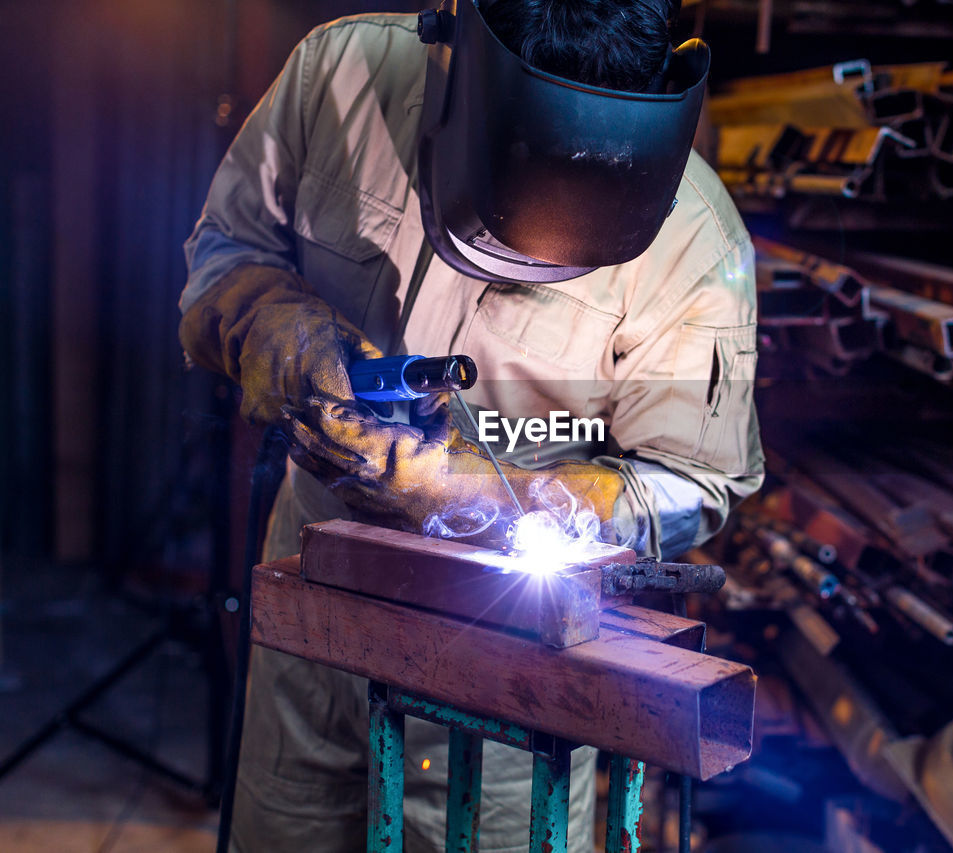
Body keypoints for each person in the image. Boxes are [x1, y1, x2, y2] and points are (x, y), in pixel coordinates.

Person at [178, 0, 762, 848]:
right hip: (313, 593)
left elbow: (701, 479)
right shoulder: (339, 77)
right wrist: (284, 333)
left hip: (519, 666)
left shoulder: (695, 242)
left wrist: (488, 495)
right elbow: (224, 256)